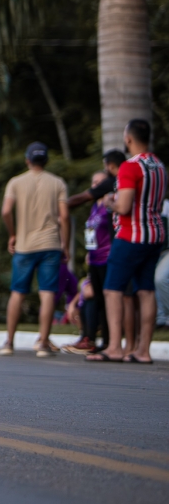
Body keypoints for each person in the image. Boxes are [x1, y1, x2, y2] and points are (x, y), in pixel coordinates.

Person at [88, 119, 165, 364]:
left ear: (128, 139)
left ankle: (114, 347)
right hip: (154, 234)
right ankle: (143, 351)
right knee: (146, 290)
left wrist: (110, 201)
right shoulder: (158, 165)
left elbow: (124, 206)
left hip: (131, 235)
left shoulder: (130, 167)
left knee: (112, 289)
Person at [0, 142, 69, 357]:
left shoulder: (15, 182)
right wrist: (65, 244)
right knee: (47, 293)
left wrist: (13, 234)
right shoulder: (58, 183)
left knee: (17, 293)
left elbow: (6, 211)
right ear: (46, 160)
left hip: (24, 245)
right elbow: (65, 216)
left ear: (27, 160)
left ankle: (9, 342)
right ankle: (43, 343)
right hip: (50, 244)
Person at [64, 171, 113, 354]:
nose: (96, 186)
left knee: (95, 296)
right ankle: (87, 337)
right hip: (94, 259)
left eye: (100, 182)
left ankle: (96, 339)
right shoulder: (94, 207)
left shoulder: (109, 205)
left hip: (107, 259)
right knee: (90, 295)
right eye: (94, 182)